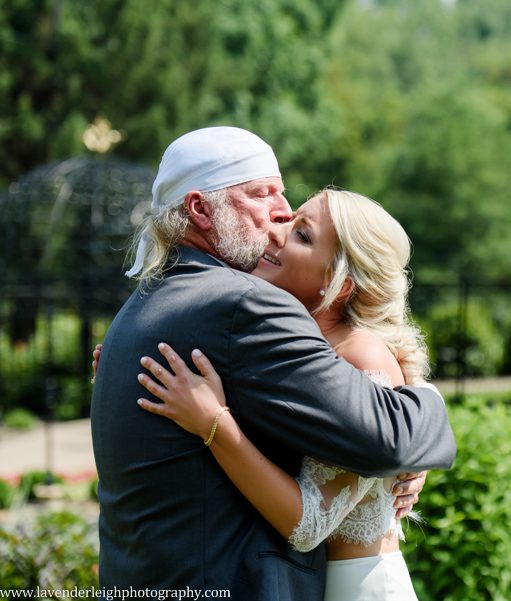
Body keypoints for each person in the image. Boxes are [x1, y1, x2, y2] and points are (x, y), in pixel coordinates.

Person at [90, 127, 456, 599]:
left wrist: (401, 415)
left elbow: (372, 443)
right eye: (262, 194)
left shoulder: (143, 307)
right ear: (201, 209)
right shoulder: (241, 305)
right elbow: (387, 439)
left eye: (291, 208)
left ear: (341, 282)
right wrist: (420, 404)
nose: (281, 211)